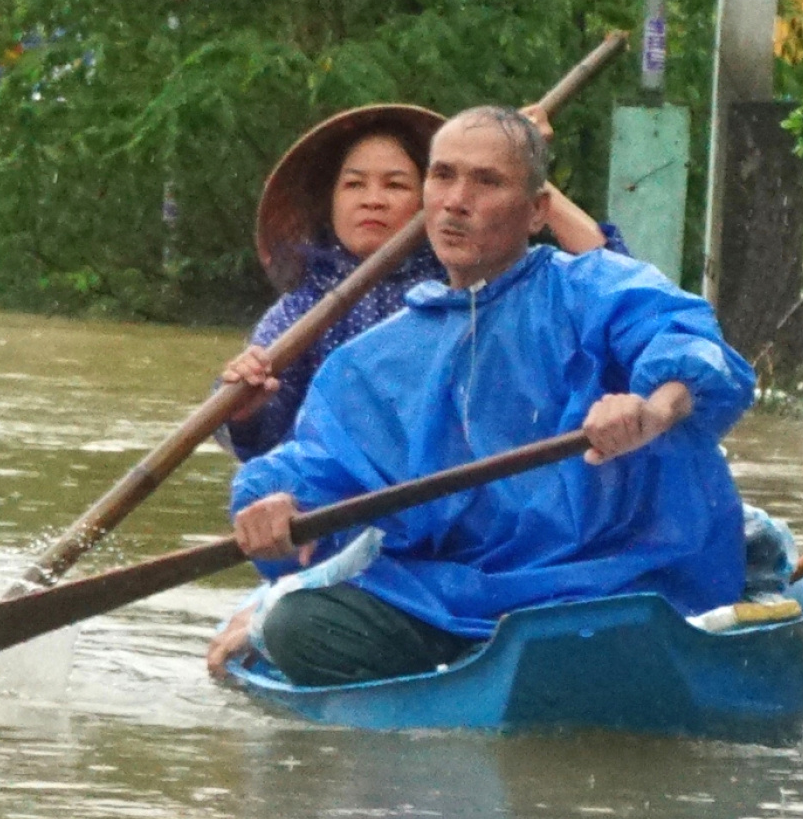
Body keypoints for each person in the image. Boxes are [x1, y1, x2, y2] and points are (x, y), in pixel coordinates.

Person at [205, 106, 753, 686]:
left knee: (589, 631)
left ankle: (512, 673)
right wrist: (275, 506)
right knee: (297, 626)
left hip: (607, 583)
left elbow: (692, 348)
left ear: (537, 211)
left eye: (487, 182)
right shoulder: (370, 359)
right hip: (456, 597)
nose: (456, 201)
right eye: (442, 176)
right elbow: (317, 469)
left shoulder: (594, 287)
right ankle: (469, 679)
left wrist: (651, 411)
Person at [217, 103, 624, 460]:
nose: (372, 200)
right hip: (342, 495)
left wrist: (516, 161)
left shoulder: (469, 282)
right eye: (354, 184)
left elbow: (614, 281)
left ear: (428, 199)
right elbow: (260, 444)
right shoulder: (300, 309)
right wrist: (243, 409)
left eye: (395, 185)